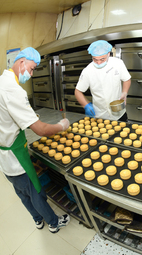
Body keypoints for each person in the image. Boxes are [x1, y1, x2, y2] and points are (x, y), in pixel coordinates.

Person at [0, 47, 71, 233]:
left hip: (3, 155)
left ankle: (37, 220)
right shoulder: (13, 90)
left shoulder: (1, 81)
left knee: (21, 194)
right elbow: (40, 129)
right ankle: (54, 223)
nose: (31, 74)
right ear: (22, 62)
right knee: (35, 192)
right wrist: (62, 126)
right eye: (31, 69)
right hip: (17, 158)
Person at [75, 40, 131, 121]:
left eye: (102, 59)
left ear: (108, 54)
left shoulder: (118, 63)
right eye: (95, 59)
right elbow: (77, 91)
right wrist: (86, 105)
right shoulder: (87, 71)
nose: (98, 62)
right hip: (100, 116)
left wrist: (124, 92)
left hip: (119, 113)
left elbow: (127, 79)